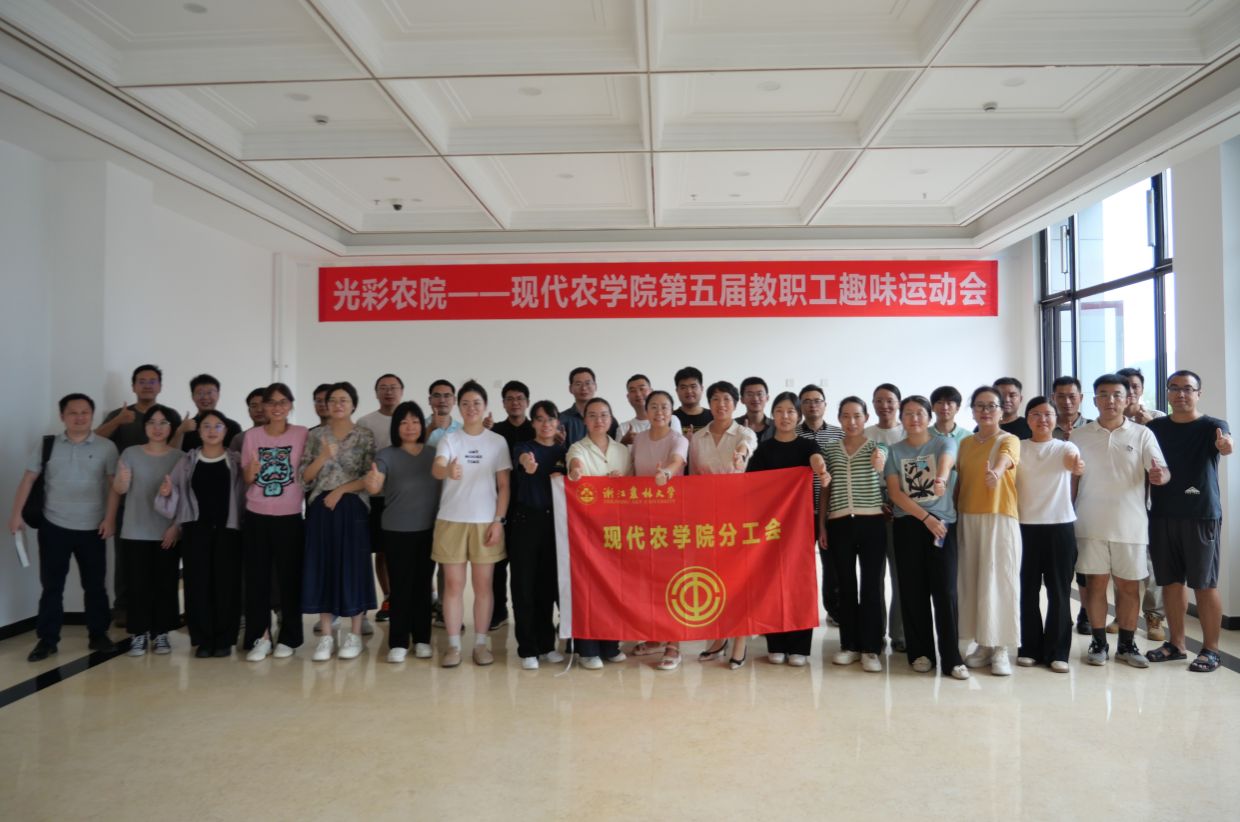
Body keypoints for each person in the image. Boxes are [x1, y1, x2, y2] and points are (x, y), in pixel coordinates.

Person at [11, 394, 119, 661]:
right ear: (62, 416)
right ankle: (47, 640)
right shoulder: (47, 445)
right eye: (73, 412)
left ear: (92, 415)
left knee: (95, 586)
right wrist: (16, 515)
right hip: (54, 526)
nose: (79, 417)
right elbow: (28, 479)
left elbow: (114, 487)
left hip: (93, 527)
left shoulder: (107, 447)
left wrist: (110, 519)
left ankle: (98, 634)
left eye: (85, 412)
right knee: (52, 586)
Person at [1072, 374, 1169, 668]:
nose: (1110, 400)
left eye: (1117, 394)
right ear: (1094, 400)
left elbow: (1162, 471)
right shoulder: (1079, 436)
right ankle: (1098, 642)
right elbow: (1071, 482)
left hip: (1131, 524)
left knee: (1129, 587)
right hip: (1089, 523)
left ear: (1128, 399)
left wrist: (1160, 476)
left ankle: (1127, 644)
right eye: (1103, 394)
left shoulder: (1143, 434)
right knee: (1096, 585)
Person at [1145, 370, 1232, 672]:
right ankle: (1176, 644)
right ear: (1167, 393)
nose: (1180, 394)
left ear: (1198, 393)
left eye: (1187, 389)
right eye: (1174, 388)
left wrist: (1226, 446)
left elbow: (1226, 444)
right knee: (1170, 582)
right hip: (1162, 513)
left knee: (1204, 584)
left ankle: (1211, 650)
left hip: (1200, 514)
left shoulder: (1212, 426)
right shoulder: (1155, 427)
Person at [885, 396, 968, 680]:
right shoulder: (894, 451)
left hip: (943, 526)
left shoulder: (943, 442)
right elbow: (895, 493)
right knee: (912, 590)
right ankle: (920, 653)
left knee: (946, 591)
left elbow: (946, 462)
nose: (914, 419)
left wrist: (941, 479)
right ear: (901, 419)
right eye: (908, 414)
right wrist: (925, 518)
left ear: (929, 417)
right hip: (909, 524)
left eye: (919, 413)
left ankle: (952, 658)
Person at [431, 380, 511, 668]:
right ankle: (453, 646)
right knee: (453, 585)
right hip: (451, 520)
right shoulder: (450, 439)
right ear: (458, 406)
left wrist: (498, 521)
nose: (471, 408)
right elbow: (437, 467)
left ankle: (480, 644)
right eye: (465, 403)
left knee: (483, 586)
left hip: (485, 522)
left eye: (476, 403)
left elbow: (504, 486)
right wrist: (447, 470)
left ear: (485, 406)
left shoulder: (497, 441)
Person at [156, 408, 245, 658]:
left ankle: (224, 639)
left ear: (226, 431)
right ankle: (203, 639)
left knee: (226, 585)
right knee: (197, 585)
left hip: (228, 531)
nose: (212, 431)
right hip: (196, 531)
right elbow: (174, 493)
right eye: (206, 426)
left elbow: (246, 494)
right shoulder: (187, 461)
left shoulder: (236, 460)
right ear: (199, 432)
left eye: (218, 426)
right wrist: (166, 493)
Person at [747, 392, 827, 668]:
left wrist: (821, 469)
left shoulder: (807, 445)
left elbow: (816, 459)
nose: (785, 416)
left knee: (799, 582)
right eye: (779, 411)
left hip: (800, 525)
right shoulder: (765, 449)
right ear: (773, 415)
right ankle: (776, 643)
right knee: (771, 582)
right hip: (770, 527)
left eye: (791, 411)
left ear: (798, 416)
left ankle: (799, 646)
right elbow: (750, 483)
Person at [300, 382, 376, 661]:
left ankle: (354, 633)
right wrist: (323, 456)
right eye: (332, 400)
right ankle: (326, 635)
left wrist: (341, 491)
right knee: (324, 565)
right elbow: (304, 477)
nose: (338, 404)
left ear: (353, 404)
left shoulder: (364, 435)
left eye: (344, 400)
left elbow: (369, 477)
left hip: (352, 506)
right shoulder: (315, 435)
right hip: (321, 508)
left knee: (353, 567)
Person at [365, 401, 441, 663]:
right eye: (404, 422)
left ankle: (422, 639)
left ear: (422, 425)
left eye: (415, 421)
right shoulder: (386, 455)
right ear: (396, 427)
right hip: (396, 530)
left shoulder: (433, 454)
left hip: (428, 529)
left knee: (423, 586)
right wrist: (372, 482)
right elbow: (375, 484)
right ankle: (398, 641)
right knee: (400, 586)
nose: (410, 427)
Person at [690, 382, 757, 668]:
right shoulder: (698, 438)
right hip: (707, 516)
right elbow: (694, 477)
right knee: (713, 578)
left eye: (727, 399)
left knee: (739, 578)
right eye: (715, 399)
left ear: (736, 403)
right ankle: (718, 637)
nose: (721, 405)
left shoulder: (744, 432)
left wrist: (740, 454)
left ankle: (740, 640)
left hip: (737, 515)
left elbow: (746, 447)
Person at [956, 385, 1021, 676]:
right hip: (968, 517)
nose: (985, 411)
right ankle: (983, 643)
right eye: (980, 406)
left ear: (1001, 411)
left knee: (999, 581)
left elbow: (1006, 459)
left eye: (991, 406)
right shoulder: (965, 443)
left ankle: (1001, 649)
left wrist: (996, 472)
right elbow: (959, 481)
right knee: (973, 583)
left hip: (999, 518)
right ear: (972, 411)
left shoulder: (1009, 439)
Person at [240, 383, 309, 661]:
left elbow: (308, 472)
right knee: (257, 579)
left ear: (290, 405)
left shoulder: (302, 434)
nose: (277, 407)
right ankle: (261, 636)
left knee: (290, 578)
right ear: (264, 407)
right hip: (256, 515)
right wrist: (251, 471)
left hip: (289, 516)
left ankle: (289, 637)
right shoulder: (252, 436)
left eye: (283, 402)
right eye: (271, 402)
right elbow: (247, 478)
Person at [1015, 396, 1083, 673]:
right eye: (1036, 414)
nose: (1042, 419)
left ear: (1055, 419)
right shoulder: (1018, 447)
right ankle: (1029, 647)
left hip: (1059, 527)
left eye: (1048, 414)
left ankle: (1058, 651)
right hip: (1024, 528)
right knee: (1027, 591)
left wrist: (1077, 467)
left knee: (1059, 592)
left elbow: (1074, 463)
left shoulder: (1065, 447)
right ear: (1027, 419)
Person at [822, 397, 889, 673]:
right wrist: (822, 525)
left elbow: (881, 464)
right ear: (839, 418)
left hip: (872, 522)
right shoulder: (830, 450)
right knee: (846, 586)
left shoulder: (877, 447)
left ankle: (871, 648)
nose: (851, 422)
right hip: (839, 524)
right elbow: (825, 489)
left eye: (857, 416)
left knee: (871, 585)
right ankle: (849, 645)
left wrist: (879, 460)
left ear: (866, 418)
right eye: (846, 416)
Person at [112, 404, 183, 657]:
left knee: (165, 584)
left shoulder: (180, 457)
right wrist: (122, 480)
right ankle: (138, 633)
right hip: (135, 531)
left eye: (163, 423)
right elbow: (119, 489)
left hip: (166, 532)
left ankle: (161, 633)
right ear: (145, 427)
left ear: (171, 428)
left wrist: (175, 528)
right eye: (152, 422)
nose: (157, 427)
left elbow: (185, 499)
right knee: (137, 585)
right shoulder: (130, 453)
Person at [95, 363, 163, 626]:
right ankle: (123, 607)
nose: (147, 385)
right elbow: (94, 440)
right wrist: (117, 421)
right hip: (125, 498)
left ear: (160, 386)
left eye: (152, 381)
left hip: (160, 498)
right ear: (134, 386)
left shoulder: (167, 415)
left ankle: (156, 606)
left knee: (159, 555)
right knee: (125, 556)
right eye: (142, 381)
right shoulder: (119, 414)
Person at [565, 397, 630, 669]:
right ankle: (587, 649)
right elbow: (575, 469)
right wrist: (576, 472)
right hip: (586, 531)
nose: (598, 420)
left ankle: (611, 645)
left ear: (611, 418)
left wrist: (621, 484)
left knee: (613, 588)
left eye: (604, 415)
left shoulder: (623, 451)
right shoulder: (577, 448)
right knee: (588, 589)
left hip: (616, 530)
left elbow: (633, 489)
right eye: (592, 415)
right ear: (585, 421)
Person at [627, 390, 690, 670]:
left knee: (672, 580)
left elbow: (676, 461)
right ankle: (654, 636)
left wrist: (665, 472)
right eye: (654, 406)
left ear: (672, 410)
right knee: (648, 580)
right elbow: (631, 473)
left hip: (672, 519)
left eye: (664, 407)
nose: (659, 412)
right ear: (646, 410)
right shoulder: (639, 439)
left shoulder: (679, 439)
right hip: (643, 519)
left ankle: (673, 643)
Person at [509, 401, 569, 669]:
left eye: (551, 419)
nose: (546, 424)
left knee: (547, 586)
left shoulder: (564, 451)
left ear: (558, 423)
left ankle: (546, 645)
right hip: (526, 522)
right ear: (532, 423)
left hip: (555, 524)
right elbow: (523, 461)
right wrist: (528, 464)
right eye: (540, 419)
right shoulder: (523, 448)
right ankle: (527, 649)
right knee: (524, 587)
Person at [1115, 366, 1167, 640]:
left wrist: (1150, 426)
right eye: (1125, 386)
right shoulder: (1112, 422)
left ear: (1141, 389)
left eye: (1134, 386)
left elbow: (1167, 462)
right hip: (1123, 504)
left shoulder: (1158, 419)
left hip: (1155, 504)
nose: (1131, 391)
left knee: (1153, 562)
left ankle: (1154, 617)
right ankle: (1122, 615)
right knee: (1121, 561)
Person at [488, 380, 536, 631]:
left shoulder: (536, 428)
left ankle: (529, 615)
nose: (515, 403)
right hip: (498, 504)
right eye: (510, 399)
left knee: (524, 565)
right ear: (503, 403)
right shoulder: (494, 432)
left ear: (527, 402)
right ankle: (499, 611)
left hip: (527, 505)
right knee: (497, 563)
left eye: (519, 398)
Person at [357, 373, 404, 627]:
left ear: (401, 391)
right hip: (376, 496)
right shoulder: (366, 422)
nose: (389, 392)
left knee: (405, 549)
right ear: (376, 393)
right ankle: (388, 598)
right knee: (382, 550)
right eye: (383, 388)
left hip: (403, 497)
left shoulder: (409, 419)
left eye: (393, 387)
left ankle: (410, 597)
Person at [1050, 375, 1095, 636]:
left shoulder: (1092, 429)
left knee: (1087, 567)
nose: (1067, 401)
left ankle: (1086, 613)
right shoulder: (1045, 428)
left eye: (1072, 396)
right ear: (1053, 398)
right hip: (1054, 510)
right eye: (1061, 396)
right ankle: (1061, 615)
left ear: (1081, 398)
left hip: (1086, 506)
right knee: (1060, 570)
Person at [797, 383, 844, 627]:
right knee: (799, 564)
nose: (812, 405)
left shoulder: (839, 434)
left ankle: (834, 610)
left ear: (825, 405)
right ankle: (800, 610)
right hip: (798, 512)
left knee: (832, 564)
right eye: (806, 401)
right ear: (800, 406)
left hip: (831, 510)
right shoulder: (792, 434)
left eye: (817, 400)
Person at [864, 382, 905, 653]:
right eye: (879, 400)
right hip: (871, 504)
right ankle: (875, 632)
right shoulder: (866, 434)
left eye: (889, 400)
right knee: (873, 574)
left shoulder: (909, 432)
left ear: (898, 403)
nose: (884, 405)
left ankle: (900, 633)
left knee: (901, 573)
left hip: (903, 505)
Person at [172, 373, 243, 451]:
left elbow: (241, 456)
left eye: (210, 393)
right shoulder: (185, 427)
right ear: (192, 396)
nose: (205, 397)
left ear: (218, 395)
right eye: (200, 393)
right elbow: (171, 455)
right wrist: (180, 432)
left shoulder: (232, 426)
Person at [559, 367, 618, 446]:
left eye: (588, 383)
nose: (583, 388)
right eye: (578, 384)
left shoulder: (608, 419)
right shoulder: (561, 419)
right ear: (570, 388)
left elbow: (615, 446)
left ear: (595, 386)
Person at [616, 373, 683, 443]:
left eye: (642, 389)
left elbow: (677, 445)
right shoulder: (623, 428)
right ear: (628, 397)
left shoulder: (670, 419)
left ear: (651, 391)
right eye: (633, 391)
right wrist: (623, 442)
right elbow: (616, 450)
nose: (638, 394)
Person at [672, 366, 713, 435]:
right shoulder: (671, 418)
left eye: (693, 386)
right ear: (677, 391)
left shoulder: (713, 417)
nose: (689, 391)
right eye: (683, 387)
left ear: (702, 388)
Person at [737, 377, 775, 443]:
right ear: (742, 399)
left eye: (759, 394)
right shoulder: (734, 425)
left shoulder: (776, 426)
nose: (755, 398)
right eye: (750, 394)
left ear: (767, 398)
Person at [426, 379, 462, 447]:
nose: (442, 400)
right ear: (430, 400)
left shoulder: (462, 429)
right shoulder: (418, 427)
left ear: (454, 400)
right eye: (437, 396)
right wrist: (430, 428)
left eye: (447, 396)